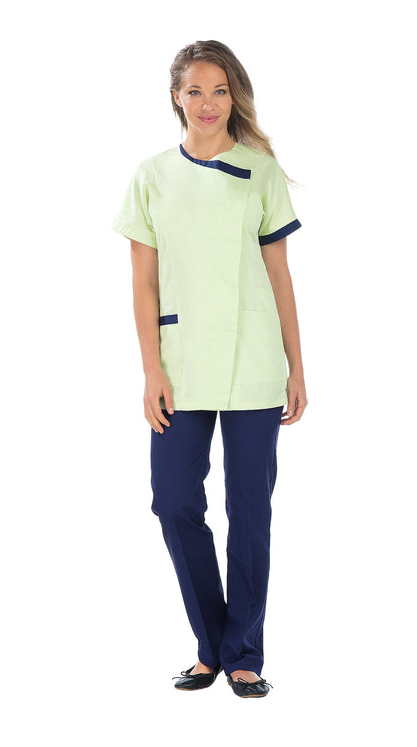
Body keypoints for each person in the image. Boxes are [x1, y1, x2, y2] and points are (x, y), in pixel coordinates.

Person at [111, 40, 308, 699]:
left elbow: (280, 277)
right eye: (194, 90)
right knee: (173, 503)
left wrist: (297, 368)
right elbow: (143, 284)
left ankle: (241, 655)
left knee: (250, 512)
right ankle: (212, 642)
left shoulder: (261, 172)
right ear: (176, 97)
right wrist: (150, 372)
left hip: (254, 360)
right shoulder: (151, 176)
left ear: (235, 96)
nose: (207, 103)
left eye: (220, 90)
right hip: (180, 364)